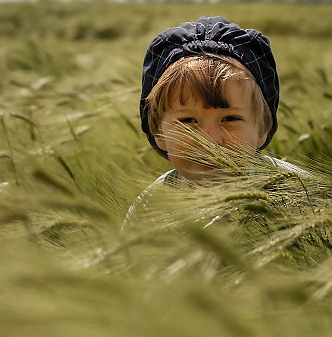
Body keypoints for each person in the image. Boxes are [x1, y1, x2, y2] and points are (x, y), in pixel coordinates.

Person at [121, 16, 303, 229]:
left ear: (263, 129)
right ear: (158, 133)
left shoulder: (302, 198)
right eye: (188, 121)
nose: (210, 140)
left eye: (230, 118)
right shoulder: (149, 208)